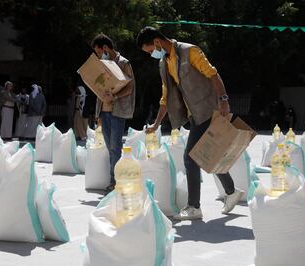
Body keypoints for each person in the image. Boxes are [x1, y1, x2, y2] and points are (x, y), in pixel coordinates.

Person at [136, 26, 243, 220]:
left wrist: (224, 100)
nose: (152, 54)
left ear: (157, 42)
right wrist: (157, 124)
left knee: (191, 157)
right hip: (195, 113)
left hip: (208, 109)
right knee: (207, 155)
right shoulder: (164, 63)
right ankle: (231, 191)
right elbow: (166, 96)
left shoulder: (189, 51)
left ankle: (194, 207)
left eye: (151, 50)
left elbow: (212, 74)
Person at [91, 33, 136, 193]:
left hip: (117, 112)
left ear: (105, 48)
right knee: (110, 148)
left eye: (98, 52)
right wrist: (98, 115)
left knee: (115, 148)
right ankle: (116, 179)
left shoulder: (123, 63)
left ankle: (116, 182)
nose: (98, 55)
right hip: (104, 113)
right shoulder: (102, 64)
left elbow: (130, 87)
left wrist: (115, 96)